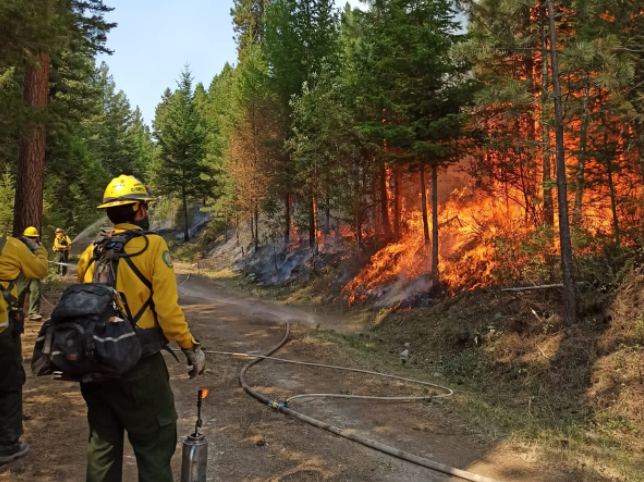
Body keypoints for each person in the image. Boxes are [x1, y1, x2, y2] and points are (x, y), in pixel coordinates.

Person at [76, 174, 206, 482]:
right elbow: (168, 312)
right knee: (154, 445)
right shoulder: (152, 246)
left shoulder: (90, 252)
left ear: (109, 212)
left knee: (102, 448)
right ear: (140, 210)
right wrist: (191, 348)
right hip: (139, 367)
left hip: (95, 366)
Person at [0, 231, 48, 463]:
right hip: (2, 329)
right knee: (9, 382)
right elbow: (39, 270)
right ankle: (8, 444)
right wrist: (37, 249)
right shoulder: (10, 246)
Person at [16, 227, 44, 322]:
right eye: (29, 237)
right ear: (24, 237)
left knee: (36, 291)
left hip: (34, 272)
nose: (31, 239)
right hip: (22, 273)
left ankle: (33, 313)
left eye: (33, 237)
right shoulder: (18, 246)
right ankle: (16, 312)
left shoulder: (38, 246)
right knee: (20, 293)